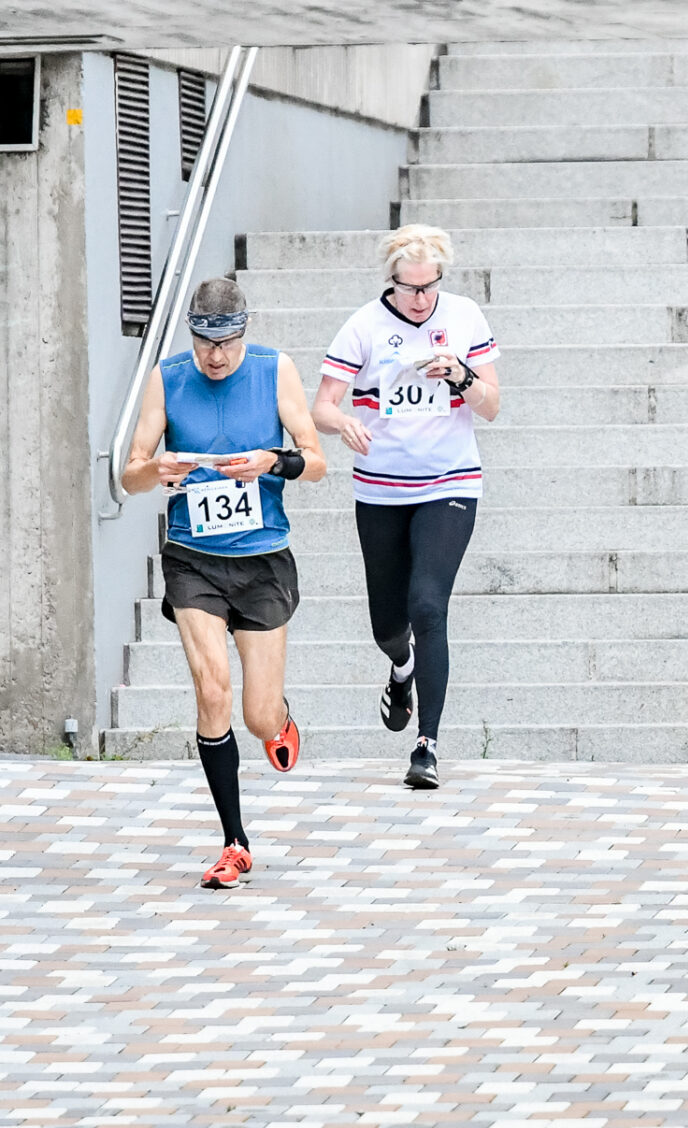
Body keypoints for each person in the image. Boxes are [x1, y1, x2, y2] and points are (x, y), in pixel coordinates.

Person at [120, 277, 327, 890]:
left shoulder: (274, 370)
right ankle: (234, 842)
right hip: (193, 557)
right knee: (212, 689)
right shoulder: (166, 378)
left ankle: (279, 721)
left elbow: (316, 463)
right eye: (206, 343)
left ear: (245, 331)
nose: (216, 356)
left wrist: (273, 461)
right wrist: (158, 469)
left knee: (257, 715)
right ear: (191, 334)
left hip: (262, 557)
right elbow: (129, 476)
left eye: (228, 343)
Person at [312, 224, 501, 791]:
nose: (421, 299)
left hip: (450, 482)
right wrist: (343, 423)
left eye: (429, 286)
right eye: (410, 288)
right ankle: (402, 667)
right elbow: (322, 405)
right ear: (390, 281)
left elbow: (491, 405)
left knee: (428, 606)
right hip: (381, 489)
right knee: (388, 625)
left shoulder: (464, 317)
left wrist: (461, 375)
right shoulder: (364, 326)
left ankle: (427, 746)